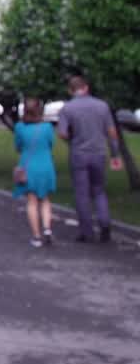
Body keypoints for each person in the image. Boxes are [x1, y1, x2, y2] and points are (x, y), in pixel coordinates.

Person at [57, 76, 124, 243]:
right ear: (86, 88)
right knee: (99, 191)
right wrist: (115, 154)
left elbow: (62, 133)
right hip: (99, 153)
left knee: (82, 194)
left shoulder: (67, 108)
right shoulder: (102, 106)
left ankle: (86, 232)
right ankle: (105, 224)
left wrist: (72, 140)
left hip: (78, 154)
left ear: (70, 90)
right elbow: (112, 132)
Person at [13, 99, 57, 248]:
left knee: (31, 202)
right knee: (45, 199)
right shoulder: (47, 127)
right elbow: (51, 144)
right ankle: (47, 229)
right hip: (46, 165)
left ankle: (36, 237)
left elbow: (18, 146)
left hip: (28, 166)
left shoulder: (20, 127)